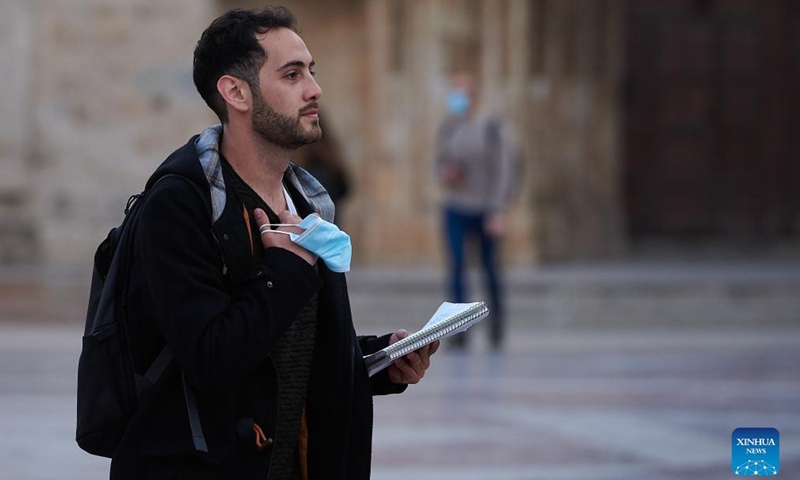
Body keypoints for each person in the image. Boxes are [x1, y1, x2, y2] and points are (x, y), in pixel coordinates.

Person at [110, 7, 437, 479]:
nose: (315, 89)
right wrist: (284, 271)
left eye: (312, 71)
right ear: (236, 92)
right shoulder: (179, 205)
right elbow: (212, 359)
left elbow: (282, 348)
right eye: (292, 74)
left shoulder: (306, 200)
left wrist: (378, 358)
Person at [434, 71, 519, 351]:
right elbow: (439, 164)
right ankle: (459, 328)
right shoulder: (449, 128)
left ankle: (496, 324)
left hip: (485, 209)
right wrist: (447, 174)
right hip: (456, 206)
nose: (456, 98)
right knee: (457, 266)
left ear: (474, 95)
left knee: (489, 269)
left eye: (461, 92)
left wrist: (498, 210)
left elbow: (504, 170)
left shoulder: (492, 128)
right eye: (454, 91)